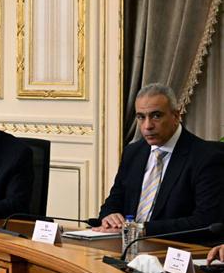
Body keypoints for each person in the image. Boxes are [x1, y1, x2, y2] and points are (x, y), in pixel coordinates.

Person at [95, 83, 224, 237]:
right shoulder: (133, 152)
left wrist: (142, 229)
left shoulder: (206, 157)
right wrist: (110, 215)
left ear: (176, 116)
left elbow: (206, 221)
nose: (147, 126)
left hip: (174, 247)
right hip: (126, 244)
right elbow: (114, 200)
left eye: (156, 116)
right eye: (141, 117)